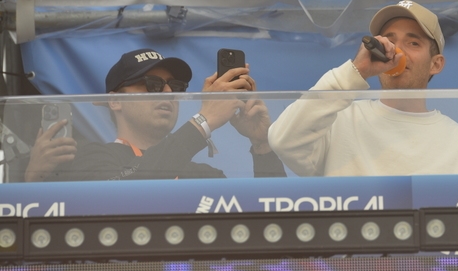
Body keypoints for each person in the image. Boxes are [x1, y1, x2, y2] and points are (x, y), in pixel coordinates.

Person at [268, 0, 458, 176]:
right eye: (389, 41)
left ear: (436, 64)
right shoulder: (338, 122)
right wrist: (356, 71)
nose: (397, 51)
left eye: (413, 43)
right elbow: (283, 141)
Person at [55, 48, 285, 180]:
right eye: (153, 84)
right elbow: (124, 196)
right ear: (115, 101)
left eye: (175, 87)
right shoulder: (92, 158)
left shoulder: (205, 175)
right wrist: (204, 120)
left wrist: (262, 145)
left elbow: (271, 224)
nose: (167, 92)